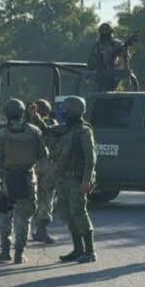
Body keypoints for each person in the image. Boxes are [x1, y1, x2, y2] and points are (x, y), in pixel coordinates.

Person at [0, 98, 48, 264]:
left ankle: (5, 251)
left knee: (6, 217)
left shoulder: (2, 134)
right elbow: (44, 155)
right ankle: (19, 253)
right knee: (25, 217)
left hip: (8, 179)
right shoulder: (34, 131)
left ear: (7, 114)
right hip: (29, 178)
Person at [50, 96, 98, 263]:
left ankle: (90, 251)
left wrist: (86, 179)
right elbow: (47, 131)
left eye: (66, 110)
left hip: (76, 179)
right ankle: (78, 249)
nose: (63, 113)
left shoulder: (84, 131)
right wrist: (34, 116)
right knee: (68, 214)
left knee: (79, 213)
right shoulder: (65, 129)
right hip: (63, 179)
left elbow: (90, 158)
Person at [28, 99, 58, 243]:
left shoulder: (52, 123)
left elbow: (47, 130)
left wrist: (36, 118)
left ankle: (41, 229)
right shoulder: (27, 124)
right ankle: (35, 229)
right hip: (36, 164)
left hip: (46, 164)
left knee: (45, 198)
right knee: (36, 198)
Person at [87, 23, 126, 92]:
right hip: (99, 74)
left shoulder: (117, 44)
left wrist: (118, 69)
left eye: (107, 35)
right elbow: (90, 62)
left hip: (113, 74)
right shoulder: (97, 46)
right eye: (103, 35)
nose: (105, 37)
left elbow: (124, 59)